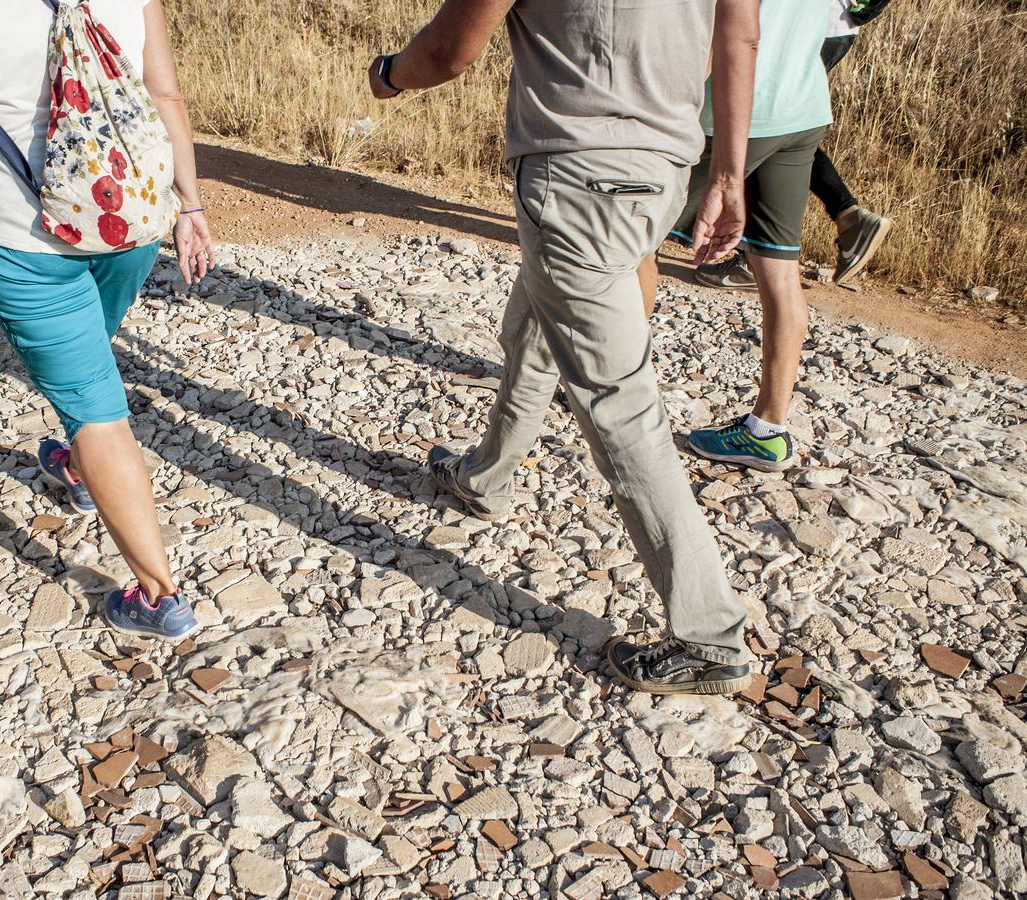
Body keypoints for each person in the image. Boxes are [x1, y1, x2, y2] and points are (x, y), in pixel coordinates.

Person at [370, 0, 761, 695]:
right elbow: (736, 35)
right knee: (533, 321)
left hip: (577, 175)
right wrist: (728, 174)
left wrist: (390, 75)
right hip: (665, 167)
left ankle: (710, 636)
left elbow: (452, 50)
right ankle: (486, 475)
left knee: (619, 408)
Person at [0, 0, 214, 640]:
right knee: (90, 367)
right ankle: (82, 469)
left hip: (17, 237)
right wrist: (189, 204)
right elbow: (163, 93)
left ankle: (159, 596)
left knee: (96, 411)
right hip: (128, 216)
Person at [670, 0, 833, 473]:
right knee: (780, 269)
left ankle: (606, 386)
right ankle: (767, 430)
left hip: (733, 114)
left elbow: (720, 29)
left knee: (635, 242)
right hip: (801, 107)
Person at [696, 0, 894, 292]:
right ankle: (848, 219)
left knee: (771, 122)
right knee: (784, 125)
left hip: (806, 22)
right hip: (829, 23)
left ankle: (755, 259)